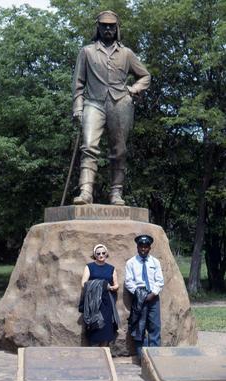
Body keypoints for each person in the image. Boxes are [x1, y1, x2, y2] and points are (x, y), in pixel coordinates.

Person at [72, 10, 151, 205]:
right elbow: (78, 83)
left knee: (119, 150)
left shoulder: (126, 53)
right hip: (94, 103)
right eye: (104, 25)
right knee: (89, 146)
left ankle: (116, 193)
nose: (108, 29)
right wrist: (78, 107)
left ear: (117, 29)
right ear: (97, 28)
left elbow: (145, 76)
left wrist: (133, 90)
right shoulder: (87, 51)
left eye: (111, 26)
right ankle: (85, 192)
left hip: (120, 103)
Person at [125, 234, 164, 360]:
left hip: (153, 297)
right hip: (139, 297)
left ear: (149, 248)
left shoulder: (155, 262)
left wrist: (153, 294)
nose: (143, 249)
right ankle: (143, 359)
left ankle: (155, 358)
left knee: (154, 327)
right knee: (139, 328)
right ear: (137, 247)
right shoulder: (131, 262)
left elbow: (159, 281)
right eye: (141, 246)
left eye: (146, 247)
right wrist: (139, 294)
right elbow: (128, 281)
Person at [81, 244, 119, 346]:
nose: (101, 255)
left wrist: (110, 287)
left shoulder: (111, 268)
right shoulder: (89, 267)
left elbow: (116, 285)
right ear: (94, 255)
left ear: (106, 254)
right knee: (94, 326)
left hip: (107, 302)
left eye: (103, 253)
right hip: (93, 302)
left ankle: (104, 351)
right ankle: (95, 354)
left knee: (106, 328)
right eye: (98, 253)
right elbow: (83, 283)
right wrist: (100, 285)